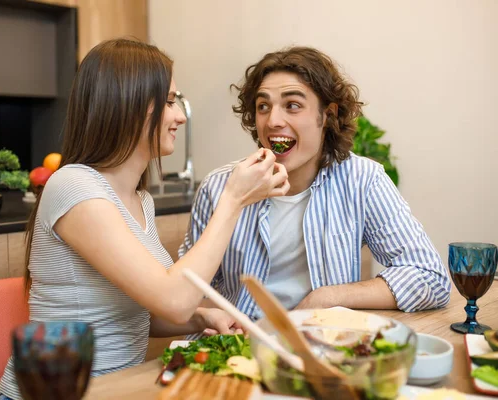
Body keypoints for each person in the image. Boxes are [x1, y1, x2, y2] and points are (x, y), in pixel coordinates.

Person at [0, 39, 289, 400]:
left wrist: (200, 318)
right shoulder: (72, 185)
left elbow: (144, 311)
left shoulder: (141, 201)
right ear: (127, 105)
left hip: (119, 389)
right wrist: (233, 200)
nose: (179, 116)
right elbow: (173, 299)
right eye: (169, 102)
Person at [180, 46, 450, 327]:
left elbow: (429, 276)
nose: (273, 121)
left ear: (327, 114)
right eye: (263, 106)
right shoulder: (219, 187)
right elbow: (183, 295)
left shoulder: (362, 180)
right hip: (237, 350)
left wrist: (328, 297)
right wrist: (210, 317)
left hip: (322, 348)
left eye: (292, 105)